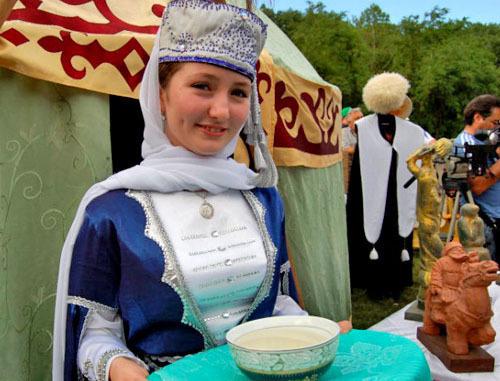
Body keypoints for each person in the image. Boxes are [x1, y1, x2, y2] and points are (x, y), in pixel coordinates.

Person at [51, 2, 354, 380]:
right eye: (202, 86)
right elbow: (93, 334)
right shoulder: (111, 211)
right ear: (160, 94)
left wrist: (311, 332)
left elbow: (276, 304)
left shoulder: (263, 199)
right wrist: (124, 369)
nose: (221, 112)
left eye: (239, 93)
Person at [346, 72, 433, 299]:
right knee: (369, 223)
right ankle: (370, 279)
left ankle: (395, 279)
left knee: (395, 228)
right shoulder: (363, 127)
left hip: (397, 190)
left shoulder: (412, 131)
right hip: (368, 190)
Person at [453, 94, 500, 264]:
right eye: (495, 123)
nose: (497, 128)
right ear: (478, 117)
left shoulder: (488, 142)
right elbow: (478, 186)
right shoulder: (465, 144)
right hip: (487, 223)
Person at [342, 107, 363, 193]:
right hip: (351, 171)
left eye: (362, 118)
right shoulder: (343, 133)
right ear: (349, 121)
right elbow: (346, 149)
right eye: (357, 118)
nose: (361, 120)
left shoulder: (368, 133)